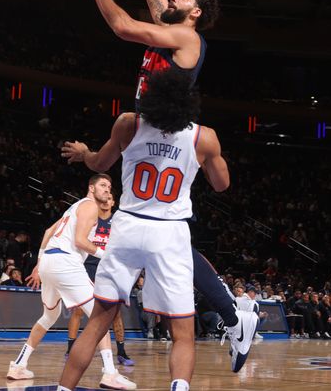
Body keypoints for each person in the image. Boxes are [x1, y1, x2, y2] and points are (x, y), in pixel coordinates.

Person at [79, 0, 255, 374]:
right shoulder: (172, 21)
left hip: (169, 132)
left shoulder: (183, 35)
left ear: (195, 12)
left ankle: (234, 315)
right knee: (165, 233)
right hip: (154, 127)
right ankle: (235, 316)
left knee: (161, 226)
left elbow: (121, 25)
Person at [59, 68, 249, 391]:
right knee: (182, 334)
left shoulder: (128, 124)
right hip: (169, 232)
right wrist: (205, 158)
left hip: (129, 225)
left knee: (95, 326)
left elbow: (99, 164)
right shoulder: (204, 137)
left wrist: (83, 153)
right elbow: (222, 185)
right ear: (189, 103)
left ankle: (64, 389)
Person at [7, 175, 135, 389]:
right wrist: (106, 255)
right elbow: (80, 241)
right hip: (65, 261)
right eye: (103, 185)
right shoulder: (90, 206)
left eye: (110, 187)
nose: (107, 189)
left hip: (50, 260)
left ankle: (19, 365)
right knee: (99, 315)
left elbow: (49, 232)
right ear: (91, 187)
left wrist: (39, 264)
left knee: (49, 316)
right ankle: (110, 373)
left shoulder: (73, 207)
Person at [65, 195, 134, 366]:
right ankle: (70, 349)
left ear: (113, 202)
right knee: (79, 311)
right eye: (105, 197)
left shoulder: (118, 221)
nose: (107, 200)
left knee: (115, 313)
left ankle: (122, 352)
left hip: (109, 268)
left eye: (111, 198)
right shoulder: (91, 218)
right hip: (88, 266)